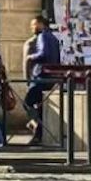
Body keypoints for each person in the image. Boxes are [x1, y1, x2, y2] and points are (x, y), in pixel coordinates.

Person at [23, 15, 61, 146]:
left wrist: (30, 57)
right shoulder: (54, 37)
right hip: (51, 77)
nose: (32, 27)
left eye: (34, 24)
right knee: (40, 107)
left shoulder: (43, 36)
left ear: (41, 24)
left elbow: (43, 53)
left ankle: (35, 125)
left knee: (27, 102)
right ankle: (39, 135)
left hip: (41, 76)